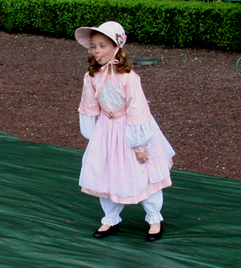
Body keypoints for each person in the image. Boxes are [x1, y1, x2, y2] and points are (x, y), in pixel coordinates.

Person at [75, 21, 175, 242]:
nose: (96, 51)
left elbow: (137, 110)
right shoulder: (92, 75)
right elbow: (89, 106)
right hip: (106, 129)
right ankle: (110, 218)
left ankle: (154, 218)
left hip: (129, 129)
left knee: (143, 173)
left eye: (102, 46)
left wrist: (139, 145)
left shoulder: (128, 77)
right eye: (93, 46)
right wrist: (94, 136)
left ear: (116, 47)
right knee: (107, 172)